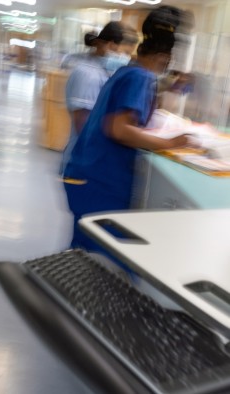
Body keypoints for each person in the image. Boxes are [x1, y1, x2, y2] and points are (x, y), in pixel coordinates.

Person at [62, 6, 193, 250]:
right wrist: (170, 143)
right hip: (99, 181)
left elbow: (129, 113)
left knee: (84, 250)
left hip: (86, 174)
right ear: (165, 57)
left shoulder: (128, 71)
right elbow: (119, 129)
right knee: (98, 256)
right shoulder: (140, 77)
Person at [61, 22, 134, 173]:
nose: (125, 58)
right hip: (82, 161)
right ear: (110, 45)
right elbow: (83, 126)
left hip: (93, 159)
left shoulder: (104, 71)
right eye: (124, 52)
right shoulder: (88, 75)